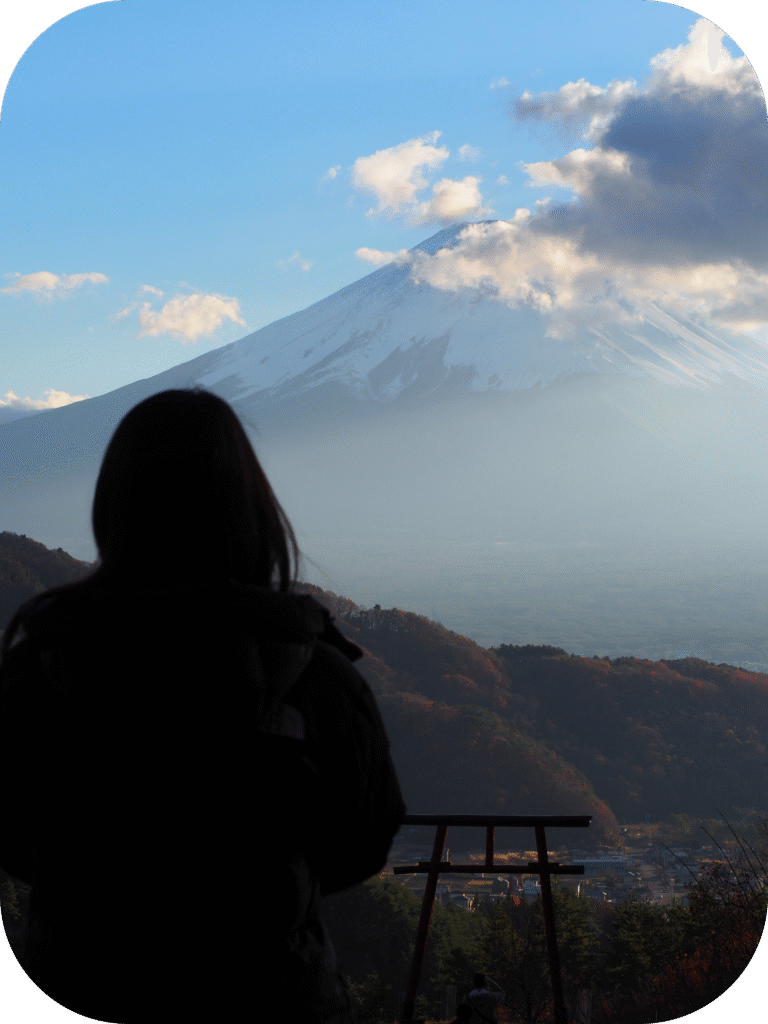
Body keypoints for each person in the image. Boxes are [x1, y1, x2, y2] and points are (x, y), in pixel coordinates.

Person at [0, 387, 407, 1022]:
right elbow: (365, 834)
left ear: (112, 505)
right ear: (254, 511)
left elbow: (11, 830)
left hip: (82, 985)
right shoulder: (305, 667)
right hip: (271, 989)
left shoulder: (44, 663)